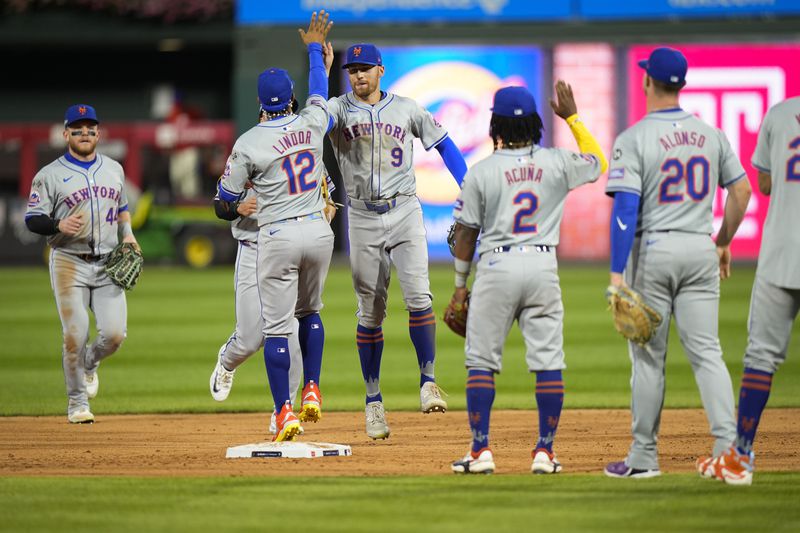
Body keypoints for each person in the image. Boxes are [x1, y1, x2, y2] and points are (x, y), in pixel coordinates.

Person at [603, 47, 752, 479]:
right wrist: (722, 241)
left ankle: (644, 459)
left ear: (648, 81)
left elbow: (625, 210)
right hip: (700, 247)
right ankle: (730, 454)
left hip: (655, 252)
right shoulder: (711, 133)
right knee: (708, 353)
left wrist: (616, 273)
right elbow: (741, 193)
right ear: (681, 84)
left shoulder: (634, 138)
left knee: (649, 357)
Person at [448, 84, 607, 474]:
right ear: (537, 122)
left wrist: (459, 288)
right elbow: (598, 162)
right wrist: (572, 117)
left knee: (481, 362)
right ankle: (545, 452)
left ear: (494, 124)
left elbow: (466, 236)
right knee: (548, 361)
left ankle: (481, 451)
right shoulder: (557, 162)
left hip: (497, 267)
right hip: (542, 266)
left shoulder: (482, 171)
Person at [322, 41, 468, 440]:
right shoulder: (336, 109)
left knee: (420, 298)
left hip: (405, 211)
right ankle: (373, 403)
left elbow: (445, 144)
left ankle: (428, 381)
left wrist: (468, 186)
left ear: (381, 70)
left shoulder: (407, 108)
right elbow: (313, 119)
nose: (359, 75)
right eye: (352, 69)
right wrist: (320, 68)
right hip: (363, 218)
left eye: (365, 68)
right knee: (369, 314)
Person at [216, 10, 334, 442]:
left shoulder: (248, 142)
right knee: (312, 314)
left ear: (258, 101)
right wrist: (315, 53)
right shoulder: (311, 123)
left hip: (277, 234)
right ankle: (313, 389)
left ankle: (283, 412)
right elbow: (320, 91)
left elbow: (223, 202)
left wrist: (236, 203)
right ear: (290, 97)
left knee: (277, 331)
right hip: (319, 231)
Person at [696, 96, 800, 486]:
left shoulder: (780, 114)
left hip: (782, 251)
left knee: (761, 358)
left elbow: (766, 182)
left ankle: (739, 458)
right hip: (779, 252)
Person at [24, 104, 140, 424]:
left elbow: (122, 207)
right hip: (68, 263)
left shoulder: (113, 168)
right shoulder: (48, 175)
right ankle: (77, 403)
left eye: (90, 128)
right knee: (75, 333)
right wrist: (58, 226)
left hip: (108, 263)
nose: (85, 133)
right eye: (78, 128)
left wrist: (128, 234)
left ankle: (90, 363)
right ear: (66, 134)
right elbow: (32, 219)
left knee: (115, 335)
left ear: (98, 133)